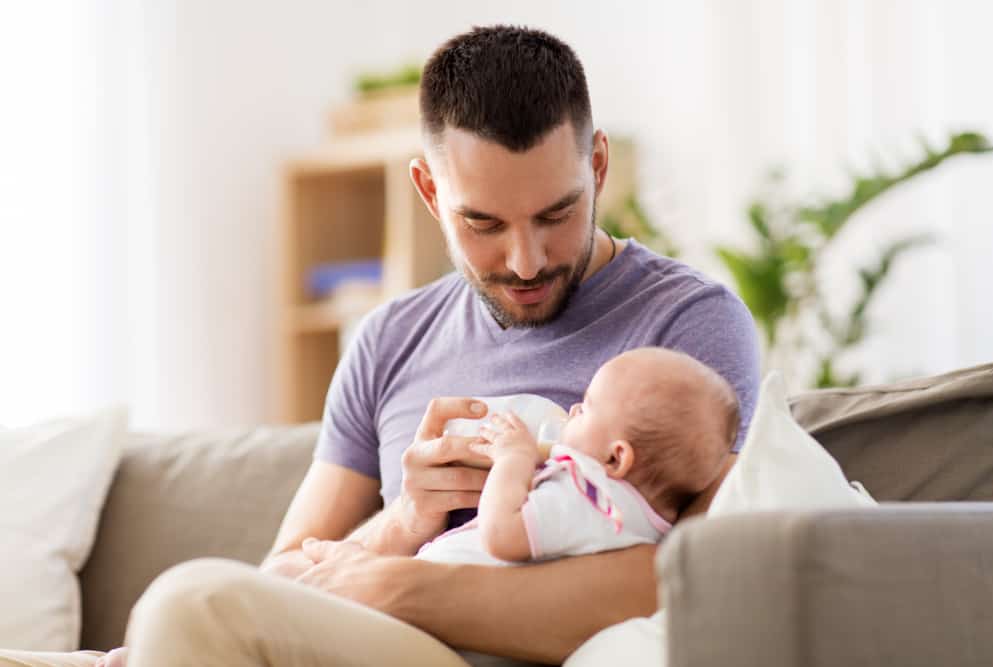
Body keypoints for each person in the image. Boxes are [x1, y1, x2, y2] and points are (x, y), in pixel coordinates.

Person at [0, 24, 760, 667]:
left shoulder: (687, 328)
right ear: (430, 194)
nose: (527, 260)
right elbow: (281, 578)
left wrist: (396, 585)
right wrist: (405, 524)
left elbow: (695, 578)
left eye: (557, 213)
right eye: (484, 224)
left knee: (190, 598)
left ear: (596, 166)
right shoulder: (389, 340)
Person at [416, 347, 739, 566]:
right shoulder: (626, 516)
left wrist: (513, 460)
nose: (572, 410)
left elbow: (501, 535)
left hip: (440, 616)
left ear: (615, 459)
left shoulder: (593, 498)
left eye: (586, 408)